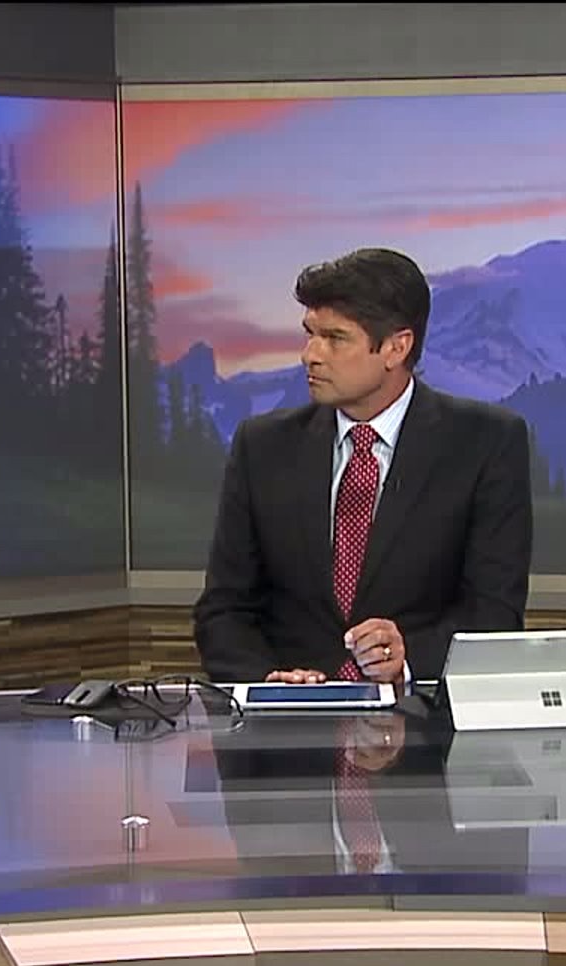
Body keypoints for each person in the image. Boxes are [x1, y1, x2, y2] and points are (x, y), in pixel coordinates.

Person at [192, 247, 533, 685]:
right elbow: (224, 610)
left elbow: (494, 613)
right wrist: (267, 680)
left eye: (335, 338)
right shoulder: (262, 447)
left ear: (396, 347)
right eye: (310, 334)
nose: (310, 355)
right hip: (284, 720)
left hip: (422, 720)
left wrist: (409, 660)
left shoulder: (484, 443)